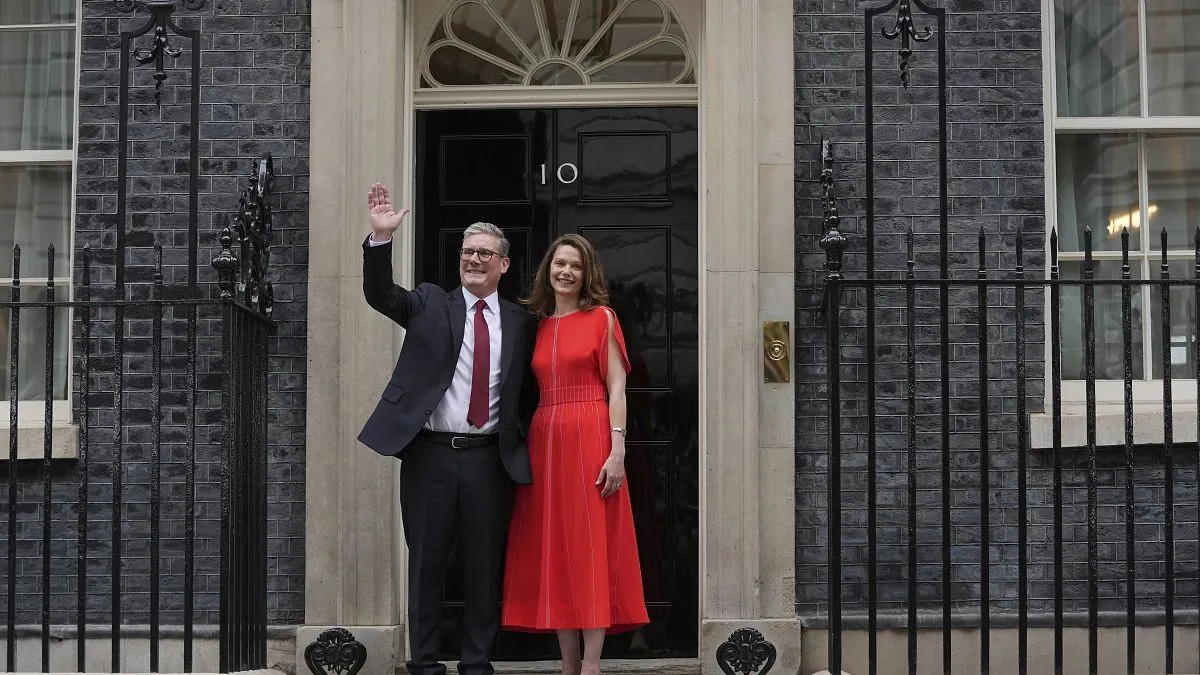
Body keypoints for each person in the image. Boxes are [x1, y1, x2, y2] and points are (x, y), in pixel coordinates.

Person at [357, 183, 538, 675]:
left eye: (484, 253)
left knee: (484, 565)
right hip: (431, 453)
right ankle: (426, 663)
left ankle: (477, 663)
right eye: (467, 251)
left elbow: (529, 391)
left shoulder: (522, 323)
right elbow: (380, 293)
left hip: (488, 458)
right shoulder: (428, 303)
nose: (474, 259)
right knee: (426, 563)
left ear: (503, 264)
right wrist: (380, 239)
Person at [500, 233, 649, 675]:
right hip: (546, 438)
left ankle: (591, 664)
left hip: (591, 433)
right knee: (556, 546)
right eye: (559, 264)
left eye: (576, 266)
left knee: (590, 544)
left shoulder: (602, 317)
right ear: (548, 270)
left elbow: (618, 387)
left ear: (587, 275)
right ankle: (567, 664)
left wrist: (616, 448)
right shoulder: (539, 325)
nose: (566, 272)